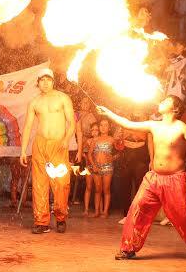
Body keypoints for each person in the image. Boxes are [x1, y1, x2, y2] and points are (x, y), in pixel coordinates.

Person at [97, 95, 186, 261]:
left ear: (175, 109)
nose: (161, 102)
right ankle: (128, 248)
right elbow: (128, 124)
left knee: (183, 216)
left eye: (166, 101)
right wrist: (108, 113)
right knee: (136, 209)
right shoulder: (154, 125)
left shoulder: (182, 128)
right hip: (153, 178)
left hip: (175, 179)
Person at [20, 68, 75, 234]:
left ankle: (60, 217)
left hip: (58, 145)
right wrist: (23, 150)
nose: (45, 83)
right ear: (38, 82)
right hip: (40, 144)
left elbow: (71, 122)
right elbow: (28, 126)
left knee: (61, 183)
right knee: (39, 183)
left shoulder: (63, 98)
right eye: (42, 80)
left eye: (48, 79)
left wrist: (66, 140)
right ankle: (41, 221)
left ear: (53, 81)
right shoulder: (35, 102)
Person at [87, 119, 115, 218]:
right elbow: (90, 154)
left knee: (106, 189)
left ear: (109, 127)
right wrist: (94, 165)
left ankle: (105, 211)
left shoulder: (112, 139)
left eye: (105, 125)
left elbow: (119, 153)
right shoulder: (95, 140)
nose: (103, 127)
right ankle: (97, 211)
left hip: (108, 167)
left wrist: (113, 157)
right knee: (98, 190)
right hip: (97, 167)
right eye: (101, 125)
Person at [82, 122, 98, 216]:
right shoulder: (88, 141)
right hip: (89, 167)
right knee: (88, 187)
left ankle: (98, 210)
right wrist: (86, 158)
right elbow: (83, 153)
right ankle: (86, 209)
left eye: (96, 130)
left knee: (98, 189)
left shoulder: (100, 140)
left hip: (99, 166)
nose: (94, 132)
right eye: (92, 130)